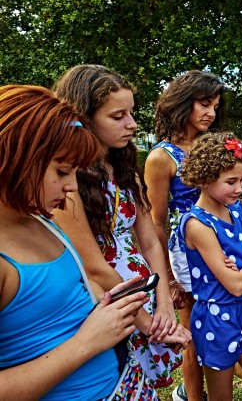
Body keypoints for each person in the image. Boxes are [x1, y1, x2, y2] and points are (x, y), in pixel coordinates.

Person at [0, 85, 156, 400]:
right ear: (16, 159)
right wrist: (86, 343)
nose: (72, 186)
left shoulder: (42, 221)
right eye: (62, 171)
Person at [51, 64, 190, 388]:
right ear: (85, 117)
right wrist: (149, 323)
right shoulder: (66, 180)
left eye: (131, 112)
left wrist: (165, 304)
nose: (131, 124)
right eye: (118, 116)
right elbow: (93, 266)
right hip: (110, 306)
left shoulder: (124, 167)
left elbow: (150, 241)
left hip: (146, 297)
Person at [176, 132, 242, 400]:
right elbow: (235, 284)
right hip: (215, 319)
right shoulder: (198, 225)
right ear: (205, 180)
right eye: (231, 181)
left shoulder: (235, 211)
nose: (240, 188)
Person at [145, 70, 225, 401]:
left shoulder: (215, 145)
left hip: (223, 245)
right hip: (185, 256)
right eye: (204, 104)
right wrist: (168, 279)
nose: (211, 113)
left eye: (215, 106)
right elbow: (156, 223)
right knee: (192, 334)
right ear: (182, 104)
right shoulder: (161, 158)